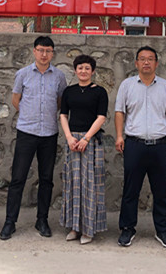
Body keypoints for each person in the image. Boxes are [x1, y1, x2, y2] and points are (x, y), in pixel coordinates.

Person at [0, 36, 67, 240]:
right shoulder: (23, 74)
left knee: (46, 179)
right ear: (34, 51)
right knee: (18, 178)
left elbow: (59, 101)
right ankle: (10, 221)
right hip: (26, 132)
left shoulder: (59, 76)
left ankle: (42, 220)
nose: (44, 54)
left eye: (48, 51)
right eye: (40, 50)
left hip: (49, 133)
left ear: (52, 53)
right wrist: (30, 115)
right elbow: (16, 100)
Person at [114, 46, 166, 248]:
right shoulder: (127, 85)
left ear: (156, 63)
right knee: (130, 190)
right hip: (135, 144)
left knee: (162, 191)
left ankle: (163, 230)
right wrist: (119, 136)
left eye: (150, 59)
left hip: (161, 145)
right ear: (136, 63)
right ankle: (127, 228)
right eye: (142, 59)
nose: (146, 62)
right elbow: (119, 112)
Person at [59, 55, 109, 245]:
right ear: (75, 70)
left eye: (87, 68)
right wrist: (69, 137)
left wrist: (86, 138)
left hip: (91, 141)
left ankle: (88, 229)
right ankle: (74, 227)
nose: (83, 71)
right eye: (80, 68)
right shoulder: (69, 91)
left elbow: (101, 117)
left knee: (90, 183)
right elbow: (63, 115)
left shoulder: (100, 92)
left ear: (93, 71)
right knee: (73, 182)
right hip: (72, 141)